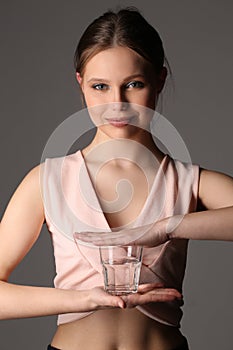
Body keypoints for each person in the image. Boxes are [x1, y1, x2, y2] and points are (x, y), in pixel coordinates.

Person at [0, 7, 232, 350]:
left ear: (159, 81)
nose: (117, 103)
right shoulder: (46, 181)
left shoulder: (189, 182)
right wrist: (83, 299)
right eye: (100, 87)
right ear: (80, 84)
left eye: (133, 85)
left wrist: (169, 226)